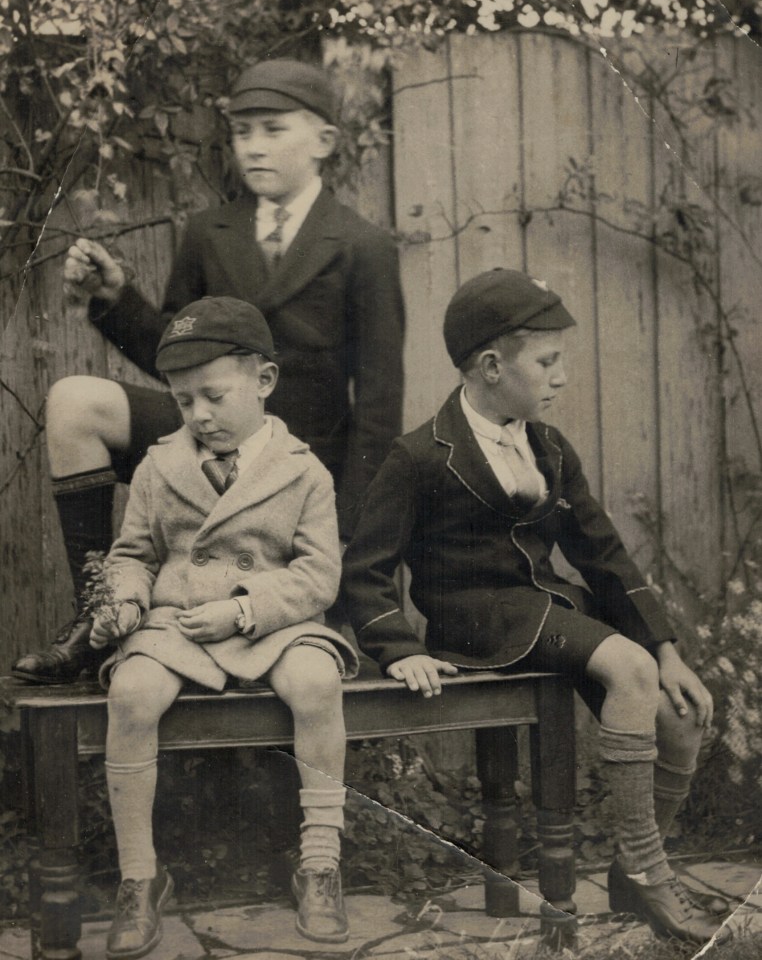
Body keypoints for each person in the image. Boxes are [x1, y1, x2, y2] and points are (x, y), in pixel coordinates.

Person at [340, 268, 729, 946]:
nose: (562, 377)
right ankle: (650, 873)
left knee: (683, 713)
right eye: (547, 362)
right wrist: (398, 648)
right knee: (630, 670)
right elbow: (366, 568)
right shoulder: (419, 456)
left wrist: (667, 650)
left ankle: (629, 872)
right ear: (492, 367)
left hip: (544, 609)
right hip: (474, 620)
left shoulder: (548, 446)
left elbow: (602, 553)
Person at [13, 57, 404, 684]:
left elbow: (381, 402)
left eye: (273, 129)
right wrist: (117, 298)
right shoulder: (207, 231)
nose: (254, 146)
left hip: (295, 461)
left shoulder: (363, 245)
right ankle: (99, 614)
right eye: (242, 132)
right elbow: (176, 356)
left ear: (324, 140)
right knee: (74, 400)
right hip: (204, 436)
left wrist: (349, 528)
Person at [91, 296, 358, 956]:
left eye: (213, 396)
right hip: (178, 622)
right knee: (130, 693)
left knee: (317, 681)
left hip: (272, 622)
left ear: (264, 381)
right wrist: (124, 602)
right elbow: (133, 555)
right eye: (183, 401)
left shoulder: (303, 471)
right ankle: (139, 876)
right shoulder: (158, 466)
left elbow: (318, 576)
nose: (198, 415)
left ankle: (320, 863)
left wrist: (243, 609)